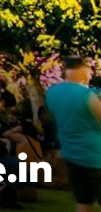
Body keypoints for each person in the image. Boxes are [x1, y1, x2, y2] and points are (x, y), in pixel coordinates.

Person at [48, 55, 101, 212]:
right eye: (89, 70)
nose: (90, 75)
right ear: (82, 70)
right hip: (95, 156)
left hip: (71, 155)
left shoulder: (52, 93)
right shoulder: (86, 96)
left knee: (83, 202)